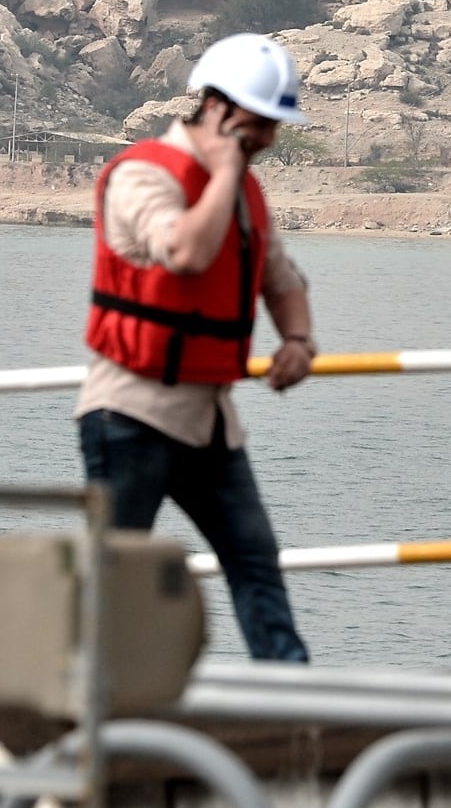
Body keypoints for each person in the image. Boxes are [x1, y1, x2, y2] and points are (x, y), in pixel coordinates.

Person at [77, 32, 317, 662]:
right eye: (261, 124)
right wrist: (228, 172)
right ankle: (79, 717)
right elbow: (185, 252)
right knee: (113, 580)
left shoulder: (246, 192)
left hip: (210, 421)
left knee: (254, 560)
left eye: (274, 126)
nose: (269, 140)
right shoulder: (140, 175)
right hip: (132, 415)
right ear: (216, 108)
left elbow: (281, 280)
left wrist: (298, 339)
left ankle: (295, 704)